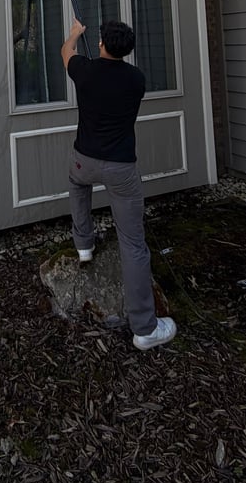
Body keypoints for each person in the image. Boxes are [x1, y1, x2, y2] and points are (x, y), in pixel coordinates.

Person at [61, 19, 177, 351]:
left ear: (101, 44)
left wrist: (74, 33)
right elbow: (109, 75)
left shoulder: (84, 70)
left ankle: (83, 243)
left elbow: (65, 52)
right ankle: (145, 329)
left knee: (76, 183)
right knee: (133, 243)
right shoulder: (136, 79)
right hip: (121, 168)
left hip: (84, 161)